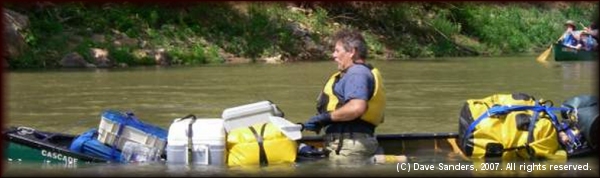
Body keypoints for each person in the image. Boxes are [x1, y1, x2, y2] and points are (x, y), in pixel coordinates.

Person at [303, 29, 387, 164]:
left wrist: (325, 118)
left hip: (350, 146)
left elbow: (356, 108)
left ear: (352, 52)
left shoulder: (356, 73)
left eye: (337, 50)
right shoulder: (358, 72)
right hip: (350, 143)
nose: (333, 55)